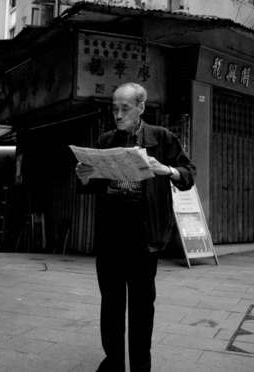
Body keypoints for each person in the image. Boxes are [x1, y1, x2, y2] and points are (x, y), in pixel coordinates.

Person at [75, 82, 195, 372]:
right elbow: (93, 187)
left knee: (141, 307)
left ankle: (141, 366)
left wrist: (165, 169)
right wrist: (85, 177)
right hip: (110, 234)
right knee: (111, 304)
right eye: (114, 109)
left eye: (125, 109)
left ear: (141, 107)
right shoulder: (106, 140)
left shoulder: (162, 138)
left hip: (144, 236)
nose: (118, 115)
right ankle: (113, 363)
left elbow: (188, 175)